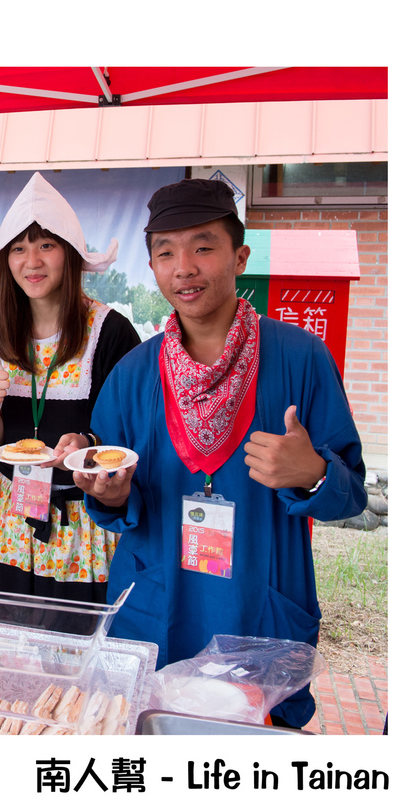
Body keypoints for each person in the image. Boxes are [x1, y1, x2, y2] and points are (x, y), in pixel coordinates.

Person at [75, 178, 367, 728]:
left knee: (245, 754)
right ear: (154, 267)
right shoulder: (132, 375)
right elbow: (110, 492)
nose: (184, 266)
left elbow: (349, 494)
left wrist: (313, 474)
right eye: (165, 252)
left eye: (203, 246)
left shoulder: (300, 360)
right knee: (153, 742)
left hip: (260, 604)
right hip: (158, 605)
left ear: (240, 256)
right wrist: (110, 495)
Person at [0, 172, 140, 606]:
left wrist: (89, 445)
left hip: (81, 525)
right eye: (19, 249)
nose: (33, 261)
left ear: (70, 255)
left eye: (47, 245)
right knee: (2, 653)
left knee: (74, 659)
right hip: (6, 514)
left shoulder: (112, 333)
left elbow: (130, 438)